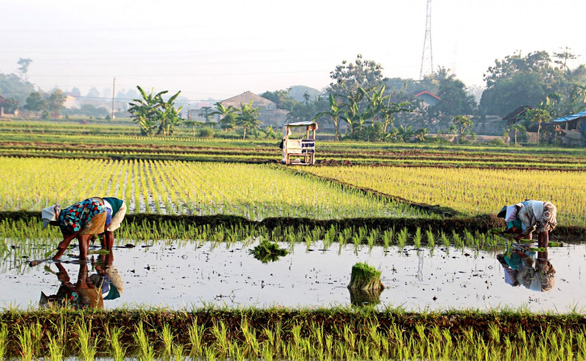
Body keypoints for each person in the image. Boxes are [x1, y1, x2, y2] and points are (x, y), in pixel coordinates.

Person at [41, 197, 126, 260]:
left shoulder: (65, 217)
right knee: (85, 236)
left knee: (82, 236)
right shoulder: (63, 223)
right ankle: (83, 257)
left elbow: (77, 230)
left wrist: (65, 241)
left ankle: (83, 259)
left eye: (50, 223)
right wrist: (57, 256)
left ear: (54, 218)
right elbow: (66, 239)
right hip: (97, 211)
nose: (51, 225)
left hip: (98, 210)